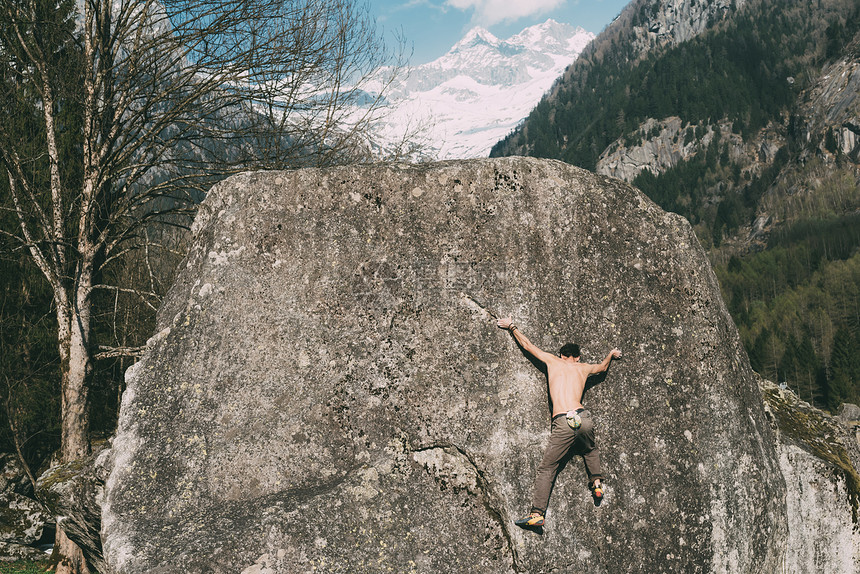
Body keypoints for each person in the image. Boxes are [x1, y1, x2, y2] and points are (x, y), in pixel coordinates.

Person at [496, 316, 621, 529]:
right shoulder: (583, 367)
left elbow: (527, 345)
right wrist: (610, 354)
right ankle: (597, 483)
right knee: (590, 449)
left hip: (563, 420)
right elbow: (601, 368)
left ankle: (537, 514)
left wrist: (512, 326)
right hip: (582, 416)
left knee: (548, 468)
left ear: (561, 355)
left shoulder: (552, 361)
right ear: (578, 357)